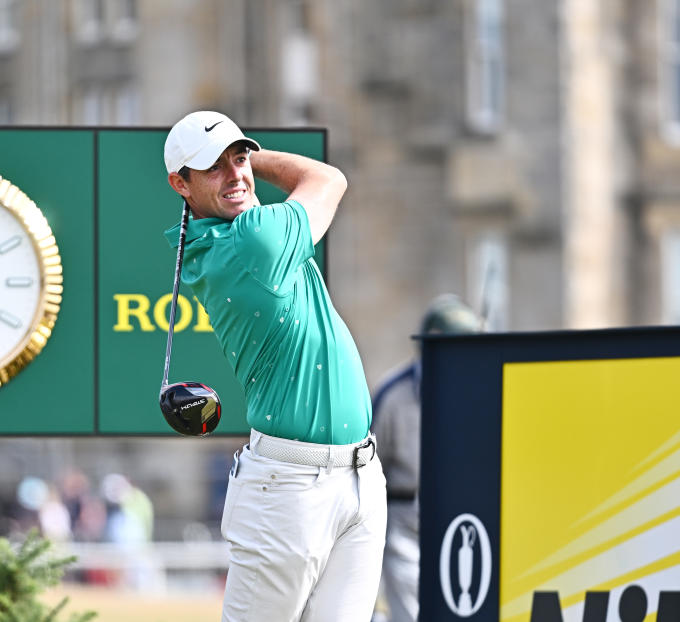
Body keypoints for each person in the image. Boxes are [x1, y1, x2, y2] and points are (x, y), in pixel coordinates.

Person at [163, 110, 387, 622]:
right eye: (213, 167)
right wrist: (258, 162)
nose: (235, 174)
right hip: (287, 488)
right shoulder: (252, 242)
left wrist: (235, 163)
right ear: (181, 184)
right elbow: (328, 179)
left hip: (358, 476)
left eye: (239, 157)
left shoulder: (238, 234)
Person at [369, 294, 482, 622]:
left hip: (463, 517)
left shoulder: (479, 391)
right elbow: (372, 468)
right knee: (411, 613)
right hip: (405, 515)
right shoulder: (393, 395)